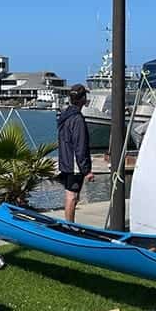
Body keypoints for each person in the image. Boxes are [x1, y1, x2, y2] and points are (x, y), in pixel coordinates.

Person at [57, 84, 94, 222]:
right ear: (83, 98)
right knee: (72, 196)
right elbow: (80, 146)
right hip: (74, 165)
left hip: (66, 162)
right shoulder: (77, 119)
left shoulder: (65, 116)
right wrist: (86, 170)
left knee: (71, 195)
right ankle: (70, 226)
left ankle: (69, 224)